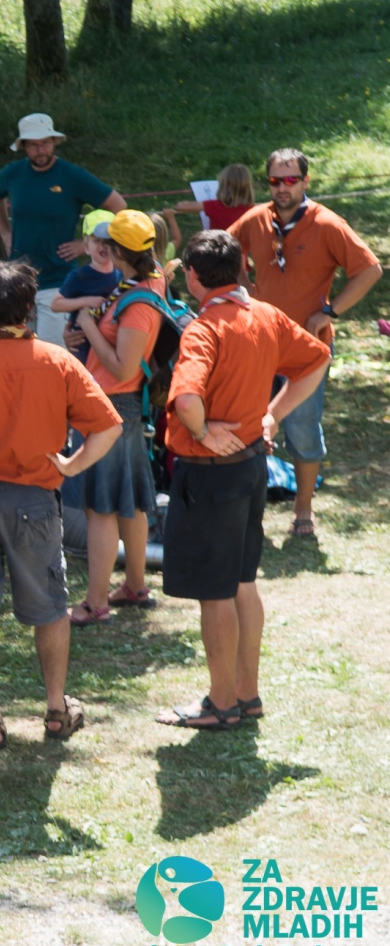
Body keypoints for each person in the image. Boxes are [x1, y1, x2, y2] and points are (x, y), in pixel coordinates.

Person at [0, 262, 123, 751]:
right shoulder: (57, 362)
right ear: (28, 307)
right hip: (35, 500)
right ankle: (56, 709)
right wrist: (72, 467)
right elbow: (110, 426)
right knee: (51, 609)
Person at [156, 231, 330, 729]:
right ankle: (246, 695)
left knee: (216, 593)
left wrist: (203, 433)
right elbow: (317, 357)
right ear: (238, 271)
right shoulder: (266, 314)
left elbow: (187, 400)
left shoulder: (203, 328)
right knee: (242, 583)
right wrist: (272, 416)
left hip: (211, 476)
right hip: (252, 467)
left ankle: (220, 704)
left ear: (192, 276)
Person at [227, 147, 382, 537]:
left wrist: (330, 311)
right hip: (258, 344)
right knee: (248, 424)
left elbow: (369, 270)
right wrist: (241, 286)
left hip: (307, 349)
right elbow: (221, 248)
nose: (282, 188)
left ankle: (303, 510)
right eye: (275, 181)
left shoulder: (327, 223)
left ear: (305, 181)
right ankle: (250, 512)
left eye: (291, 180)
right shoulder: (255, 219)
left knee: (301, 428)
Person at [64, 210, 167, 625]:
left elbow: (124, 368)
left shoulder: (137, 300)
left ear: (121, 251)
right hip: (119, 409)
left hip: (109, 407)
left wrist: (87, 328)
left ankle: (94, 603)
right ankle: (135, 586)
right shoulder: (145, 278)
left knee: (99, 508)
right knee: (129, 503)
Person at [0, 113, 127, 345]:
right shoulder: (13, 173)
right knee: (19, 352)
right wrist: (4, 231)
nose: (40, 150)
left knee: (54, 354)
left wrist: (85, 245)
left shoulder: (72, 175)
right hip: (17, 281)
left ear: (54, 142)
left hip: (58, 282)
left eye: (45, 143)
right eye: (33, 145)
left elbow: (119, 206)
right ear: (24, 146)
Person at [50, 209, 122, 364]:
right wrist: (85, 301)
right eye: (97, 241)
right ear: (86, 247)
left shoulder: (121, 274)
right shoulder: (79, 276)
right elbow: (55, 304)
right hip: (83, 346)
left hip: (112, 342)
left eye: (108, 241)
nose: (103, 246)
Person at [171, 163, 256, 232]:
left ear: (223, 186)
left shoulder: (215, 206)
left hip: (215, 250)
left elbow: (180, 206)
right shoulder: (253, 210)